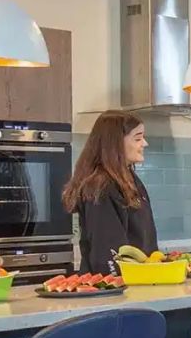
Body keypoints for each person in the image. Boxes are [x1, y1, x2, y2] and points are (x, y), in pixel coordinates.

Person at [63, 112, 156, 275]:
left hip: (139, 279)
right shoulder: (101, 187)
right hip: (117, 284)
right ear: (116, 143)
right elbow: (106, 252)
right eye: (138, 138)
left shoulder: (130, 179)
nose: (145, 143)